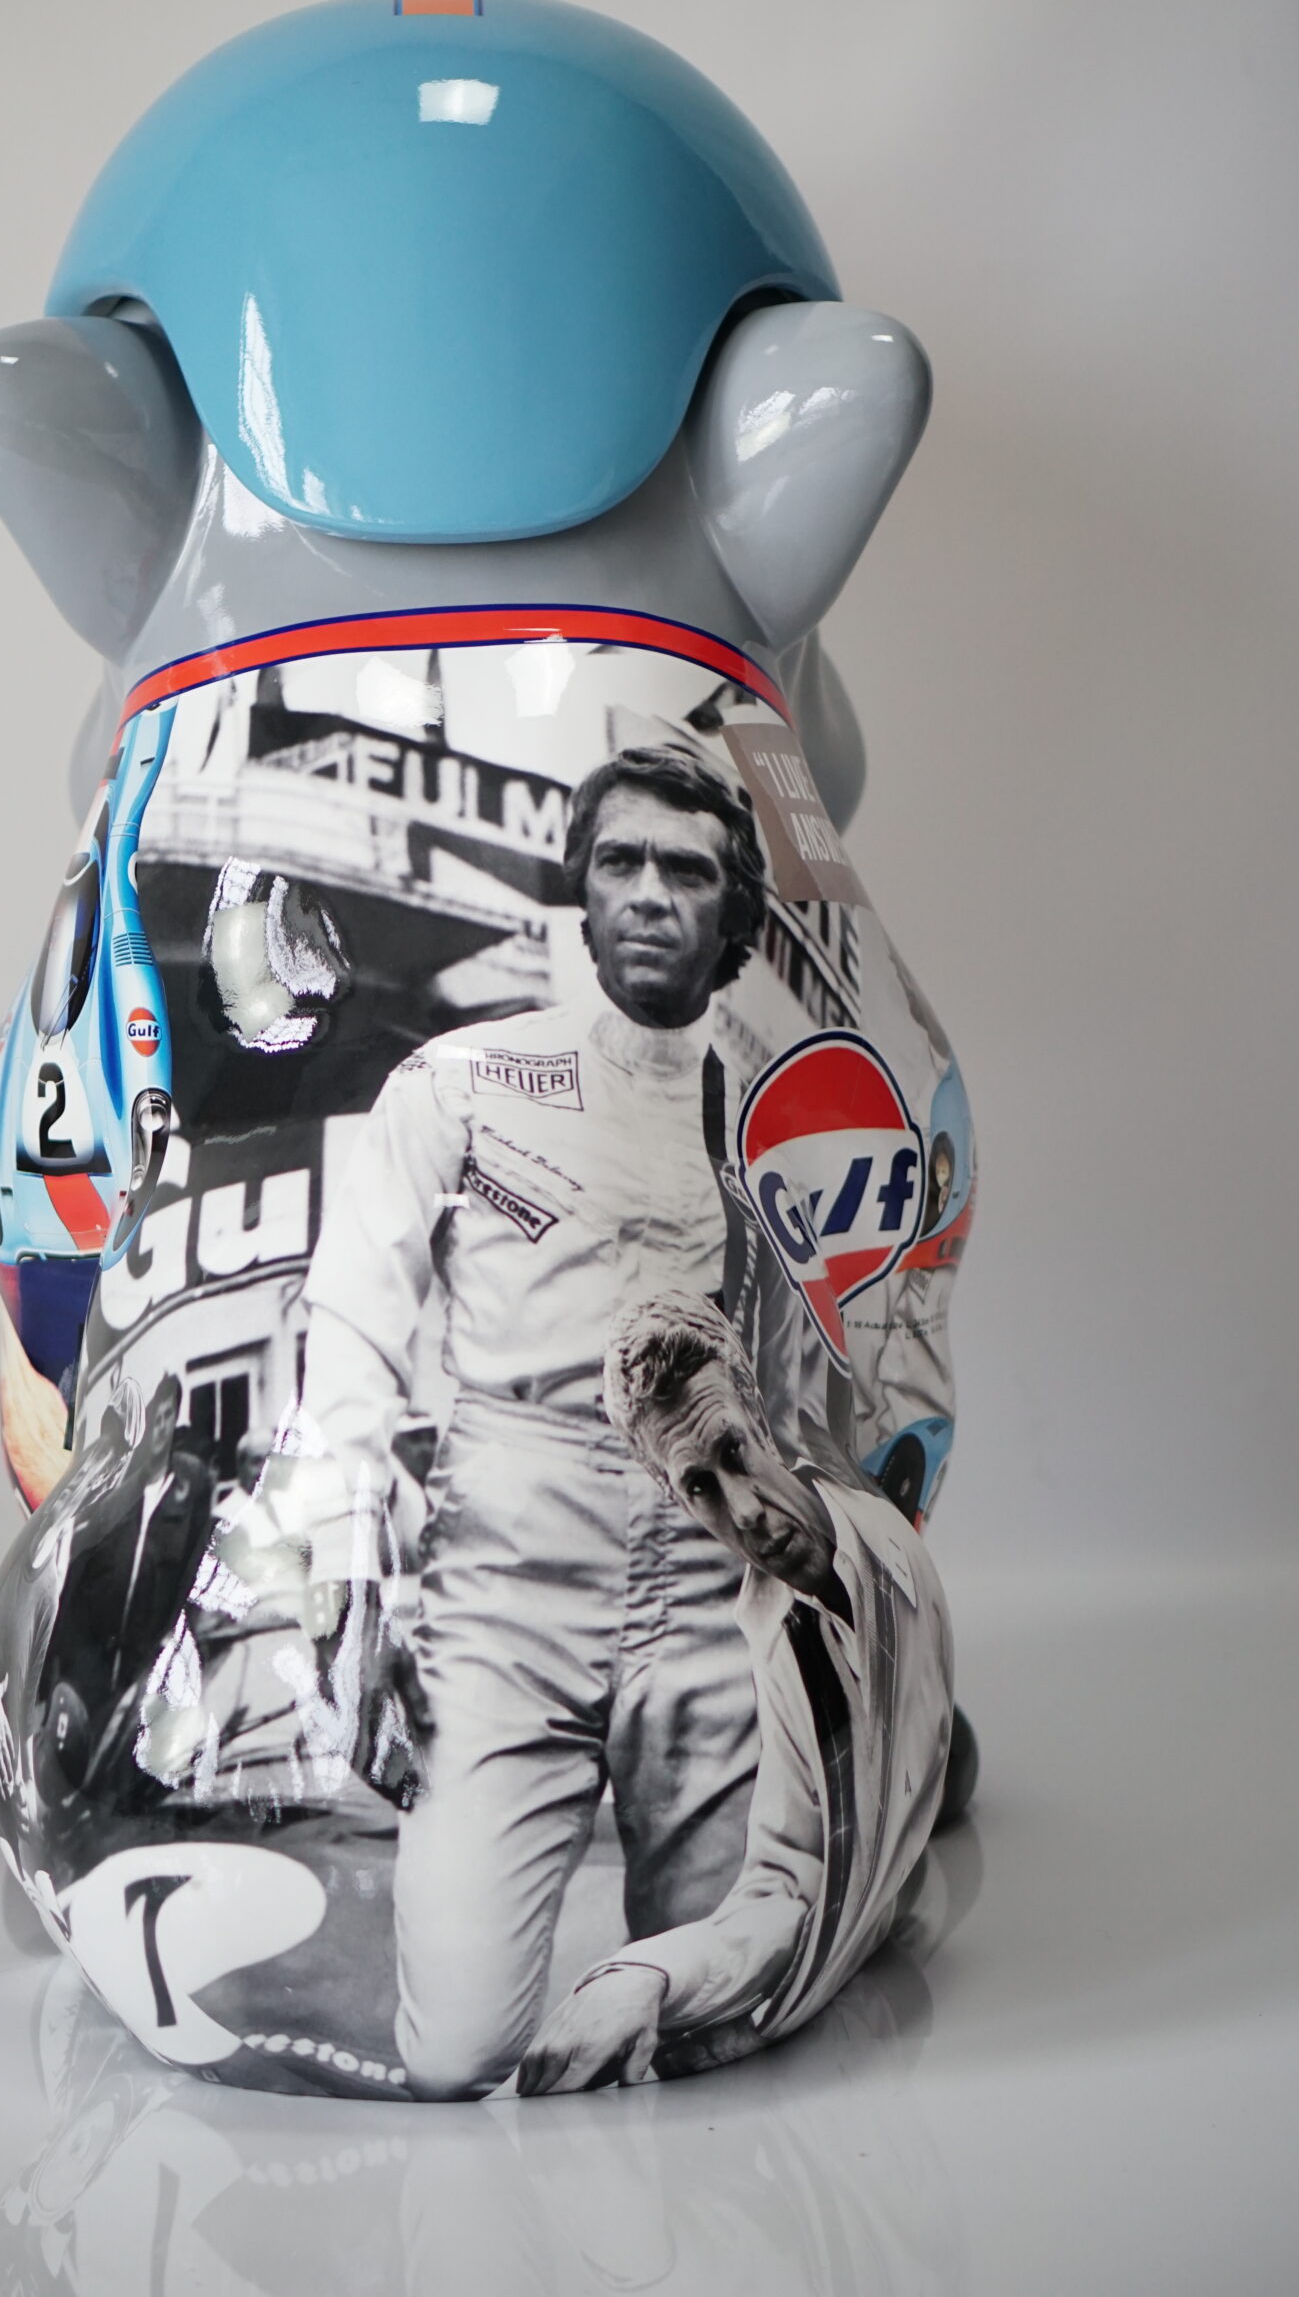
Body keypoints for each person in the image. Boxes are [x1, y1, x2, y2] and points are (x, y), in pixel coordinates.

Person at [275, 743, 809, 2097]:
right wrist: (347, 1562)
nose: (649, 895)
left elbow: (834, 1357)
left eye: (686, 871)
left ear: (732, 911)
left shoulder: (776, 1111)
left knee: (715, 2035)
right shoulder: (463, 1080)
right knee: (456, 2046)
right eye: (619, 862)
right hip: (512, 1554)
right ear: (580, 887)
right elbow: (353, 1316)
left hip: (714, 1554)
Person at [516, 1291, 952, 2096]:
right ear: (669, 1495)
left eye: (734, 1453)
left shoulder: (882, 1542)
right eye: (700, 1489)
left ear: (759, 1412)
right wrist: (644, 1976)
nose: (743, 1510)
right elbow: (788, 1882)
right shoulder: (776, 1638)